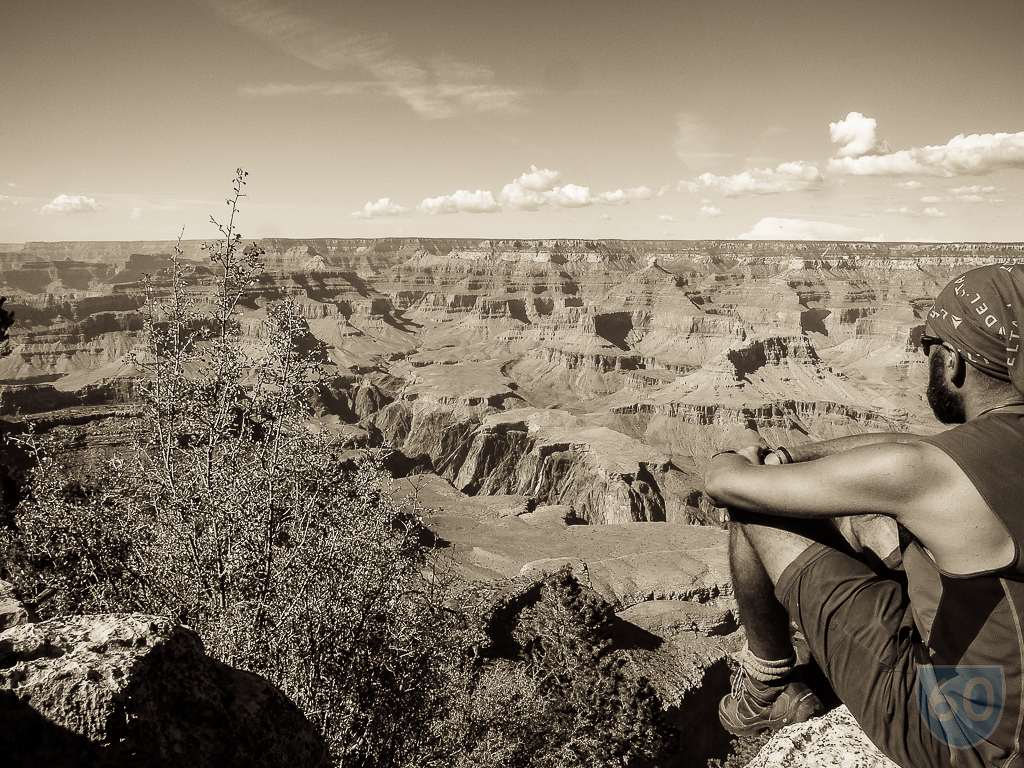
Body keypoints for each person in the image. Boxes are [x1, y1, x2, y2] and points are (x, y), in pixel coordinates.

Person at [704, 264, 1024, 768]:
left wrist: (741, 459)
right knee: (868, 523)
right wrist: (791, 457)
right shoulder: (978, 454)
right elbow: (910, 447)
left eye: (929, 348)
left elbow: (726, 486)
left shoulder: (932, 474)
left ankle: (766, 686)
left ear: (955, 364)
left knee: (754, 509)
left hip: (966, 738)